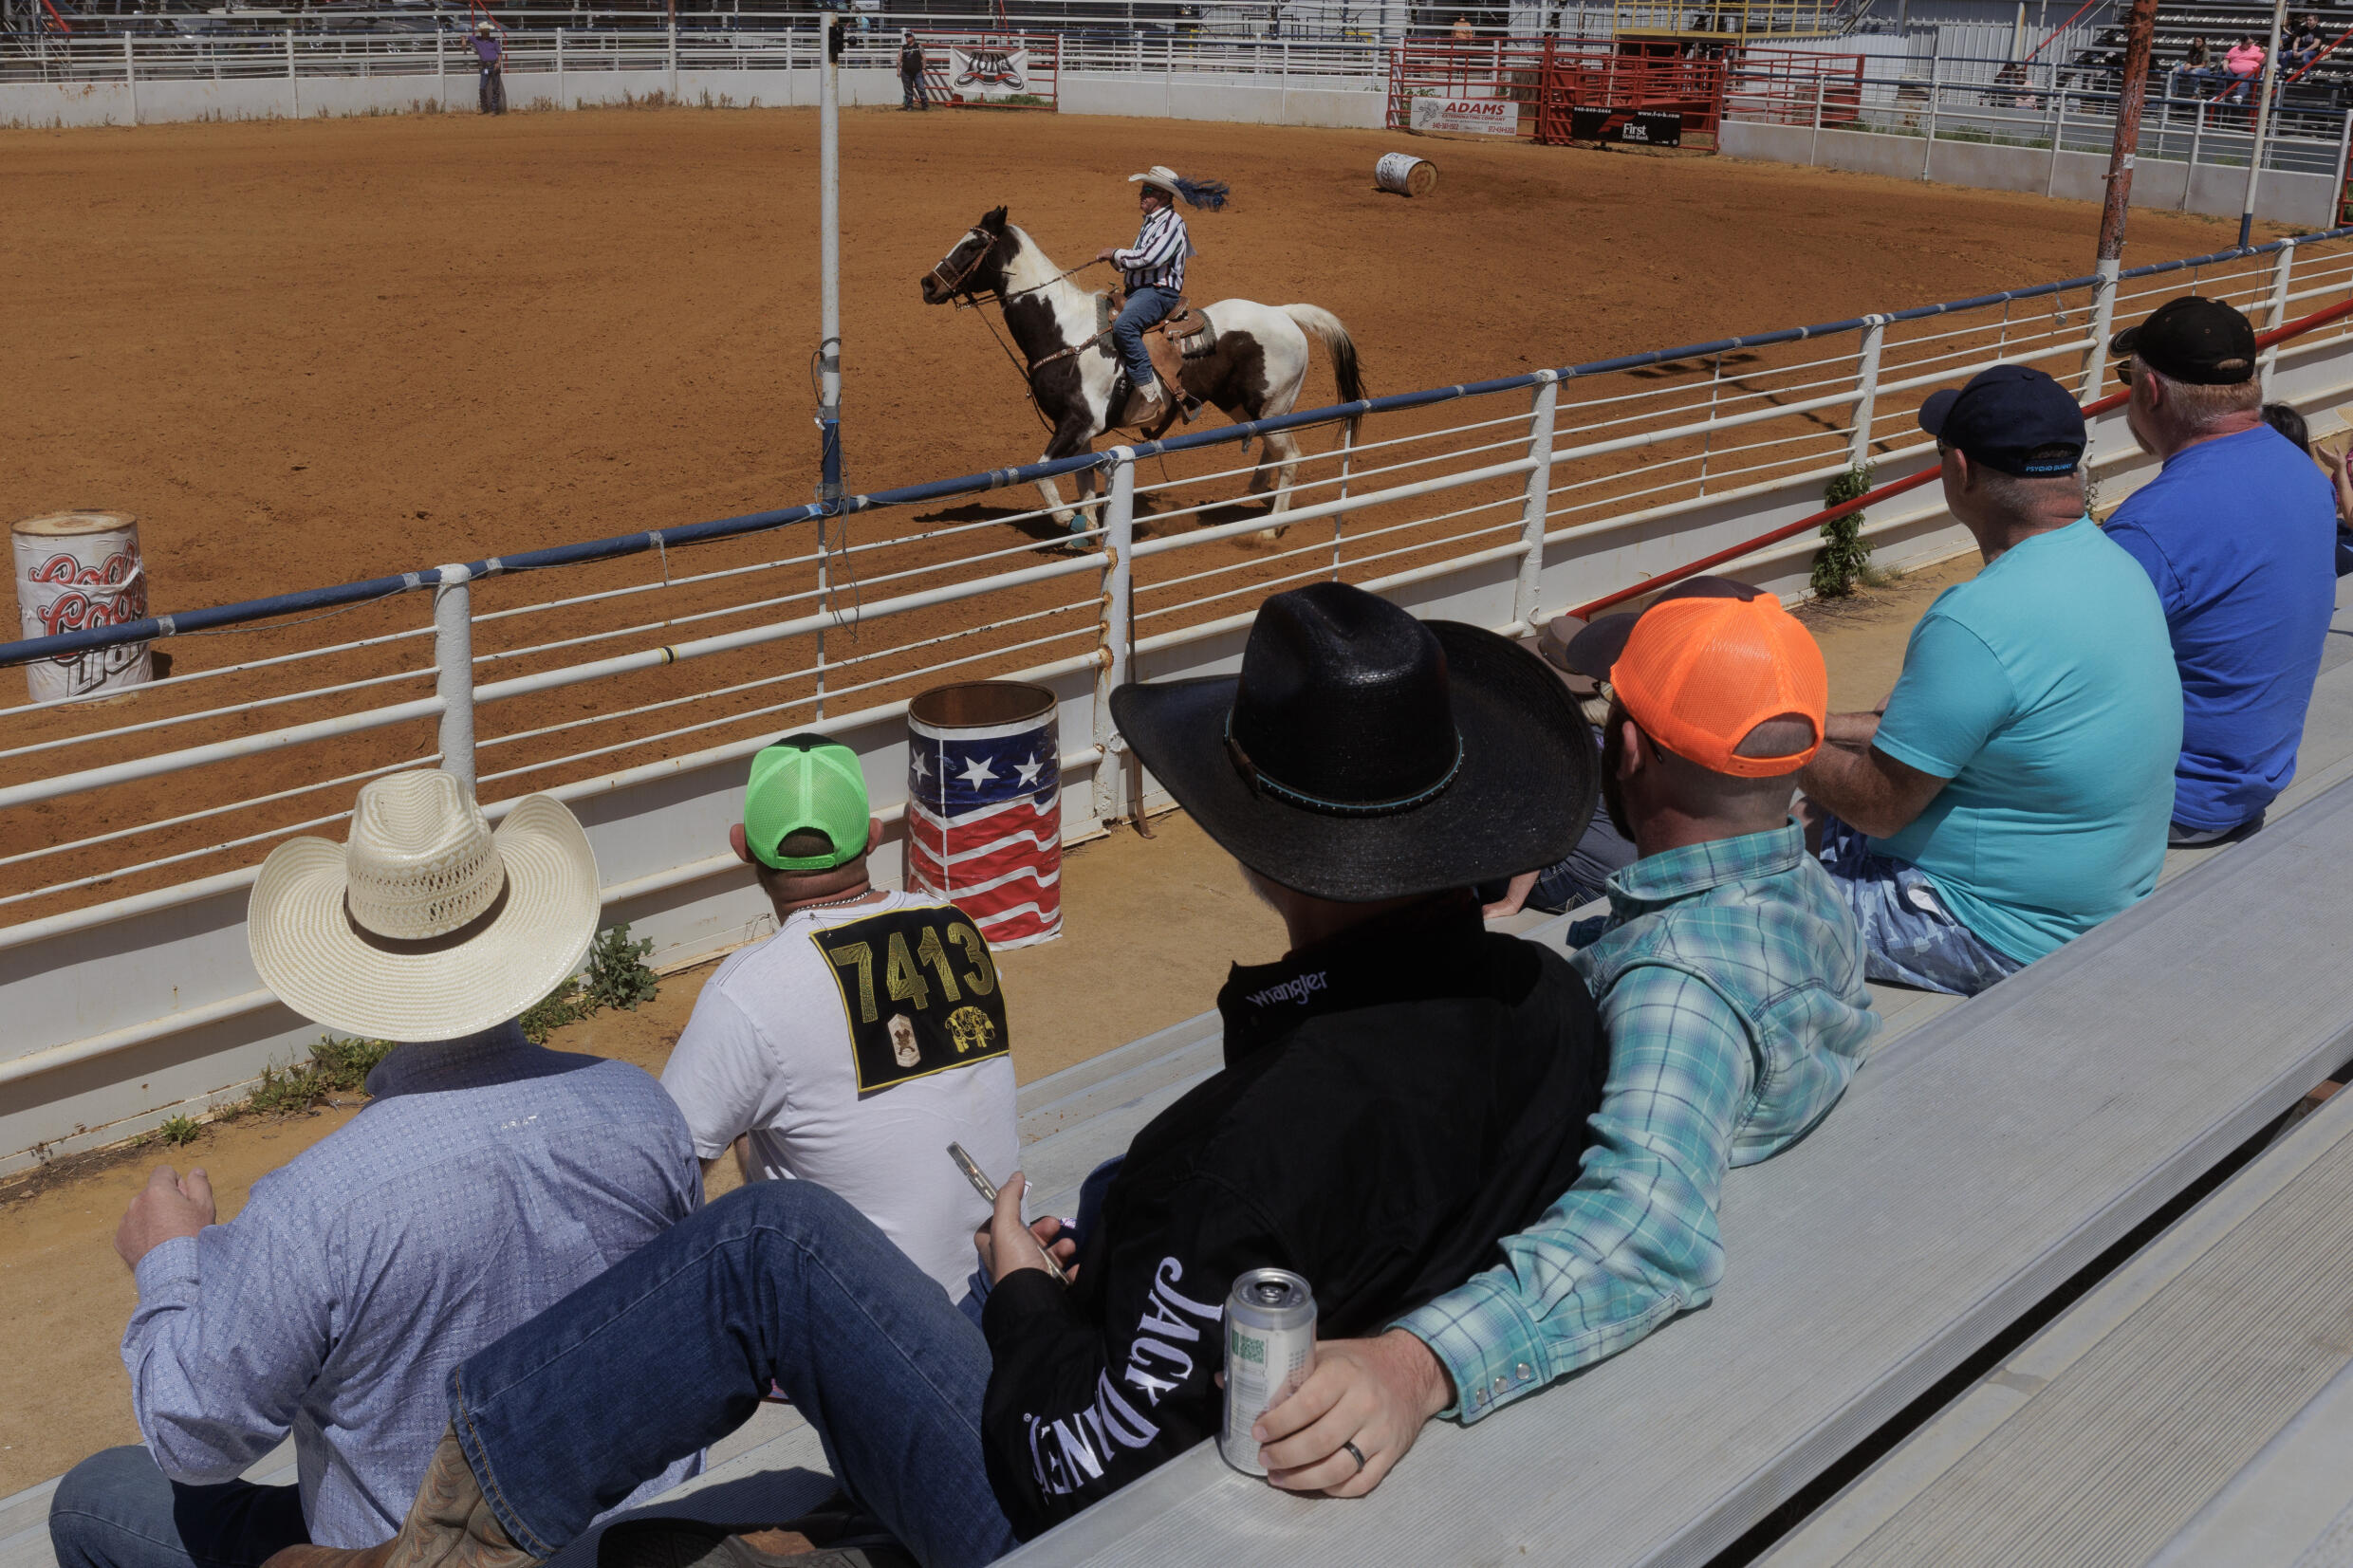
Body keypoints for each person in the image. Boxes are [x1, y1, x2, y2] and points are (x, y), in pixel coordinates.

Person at [256, 582, 1611, 1568]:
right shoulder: (1547, 1000)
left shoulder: (1250, 1139)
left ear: (1262, 846)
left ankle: (432, 1551)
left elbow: (1067, 1453)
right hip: (1252, 1425)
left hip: (1087, 1518)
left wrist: (1028, 1295)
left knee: (771, 1247)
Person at [1249, 577, 1878, 1496]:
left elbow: (1646, 1227)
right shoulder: (1803, 890)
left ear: (1623, 750)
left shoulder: (1679, 983)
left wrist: (1413, 1368)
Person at [52, 771, 699, 1568]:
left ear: (355, 955)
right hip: (632, 1533)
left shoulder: (314, 1205)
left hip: (413, 1551)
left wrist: (168, 1263)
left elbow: (195, 1436)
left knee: (96, 1496)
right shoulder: (643, 1109)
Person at [1798, 364, 2180, 995]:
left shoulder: (1976, 620)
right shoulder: (2118, 566)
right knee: (1808, 809)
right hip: (2094, 897)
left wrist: (1775, 734)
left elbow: (1880, 805)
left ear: (1961, 470)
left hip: (1999, 930)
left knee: (1732, 897)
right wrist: (1821, 727)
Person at [658, 733, 1017, 1301]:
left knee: (750, 1106)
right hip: (1002, 1281)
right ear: (873, 836)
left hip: (885, 1324)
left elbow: (666, 1172)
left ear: (743, 846)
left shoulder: (749, 988)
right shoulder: (954, 924)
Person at [2103, 297, 2337, 846]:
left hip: (2175, 803)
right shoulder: (2299, 471)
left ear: (2151, 391)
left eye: (2126, 378)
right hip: (2253, 783)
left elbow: (2052, 681)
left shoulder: (2152, 526)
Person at [1478, 613, 1636, 918]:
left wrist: (1512, 902)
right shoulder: (1612, 730)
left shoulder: (1561, 746)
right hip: (1626, 873)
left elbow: (1541, 829)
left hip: (1579, 882)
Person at [1091, 165, 1225, 421]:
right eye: (1143, 189)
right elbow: (1140, 259)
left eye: (1148, 190)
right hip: (1140, 290)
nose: (1142, 194)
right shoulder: (1152, 221)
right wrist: (1117, 261)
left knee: (1125, 326)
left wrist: (1115, 253)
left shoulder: (1173, 224)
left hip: (1158, 294)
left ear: (1165, 196)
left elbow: (1151, 258)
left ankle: (1149, 395)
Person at [470, 21, 505, 116]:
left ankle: (494, 109)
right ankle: (484, 107)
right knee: (482, 87)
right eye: (485, 31)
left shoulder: (493, 41)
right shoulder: (477, 39)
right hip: (485, 66)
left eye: (487, 31)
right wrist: (464, 39)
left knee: (495, 87)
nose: (487, 33)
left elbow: (499, 53)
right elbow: (464, 36)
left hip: (494, 65)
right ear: (482, 32)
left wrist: (498, 62)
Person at [2222, 34, 2265, 105]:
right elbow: (2227, 58)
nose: (2250, 45)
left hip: (2248, 71)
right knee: (2222, 74)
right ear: (2242, 43)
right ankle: (2219, 95)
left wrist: (2266, 55)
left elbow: (2262, 62)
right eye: (2248, 44)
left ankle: (2239, 96)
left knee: (2243, 77)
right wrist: (2225, 65)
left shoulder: (2257, 49)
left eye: (2251, 43)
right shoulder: (2235, 49)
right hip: (2232, 69)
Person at [898, 32, 928, 111]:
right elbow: (899, 59)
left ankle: (925, 105)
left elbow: (924, 58)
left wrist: (924, 69)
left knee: (921, 88)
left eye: (909, 36)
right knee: (908, 90)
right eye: (906, 37)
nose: (907, 38)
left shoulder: (918, 46)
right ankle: (909, 106)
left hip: (918, 71)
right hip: (905, 72)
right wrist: (898, 70)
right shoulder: (903, 47)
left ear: (913, 38)